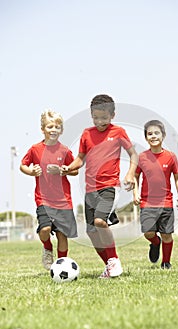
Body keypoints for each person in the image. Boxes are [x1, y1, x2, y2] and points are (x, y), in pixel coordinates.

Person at [61, 94, 138, 278]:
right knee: (92, 232)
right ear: (91, 114)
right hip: (90, 190)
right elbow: (80, 159)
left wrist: (129, 174)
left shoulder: (118, 132)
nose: (100, 121)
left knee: (100, 221)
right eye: (96, 117)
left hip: (110, 186)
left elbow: (134, 155)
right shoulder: (87, 134)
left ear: (112, 115)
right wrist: (68, 168)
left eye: (104, 117)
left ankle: (114, 259)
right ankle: (109, 266)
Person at [20, 109, 78, 270]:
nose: (53, 130)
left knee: (62, 234)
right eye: (50, 127)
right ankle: (47, 247)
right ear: (43, 129)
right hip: (43, 199)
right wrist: (31, 171)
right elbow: (23, 165)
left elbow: (75, 170)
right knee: (45, 229)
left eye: (57, 127)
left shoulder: (64, 150)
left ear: (61, 130)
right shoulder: (35, 149)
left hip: (63, 201)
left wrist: (63, 170)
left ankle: (62, 266)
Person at [133, 120, 178, 269]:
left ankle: (166, 262)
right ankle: (155, 243)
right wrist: (135, 193)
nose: (153, 136)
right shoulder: (141, 157)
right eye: (150, 134)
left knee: (167, 234)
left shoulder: (171, 157)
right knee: (148, 233)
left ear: (163, 136)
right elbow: (135, 176)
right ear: (146, 137)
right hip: (147, 203)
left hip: (166, 202)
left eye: (156, 133)